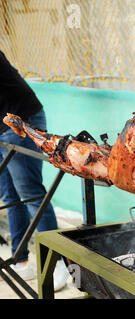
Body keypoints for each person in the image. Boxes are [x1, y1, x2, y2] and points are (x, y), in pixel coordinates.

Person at [0, 50, 68, 291]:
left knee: (31, 194)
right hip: (2, 128)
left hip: (21, 121)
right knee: (10, 196)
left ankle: (57, 262)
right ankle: (21, 261)